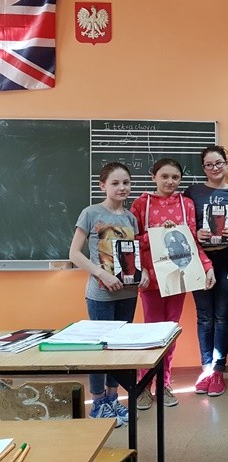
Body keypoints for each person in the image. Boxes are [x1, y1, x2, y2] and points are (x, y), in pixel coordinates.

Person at [69, 162, 150, 427]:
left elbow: (133, 254)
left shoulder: (130, 218)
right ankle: (98, 403)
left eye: (126, 182)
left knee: (119, 349)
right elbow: (75, 254)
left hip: (127, 294)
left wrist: (144, 272)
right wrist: (101, 274)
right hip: (101, 296)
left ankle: (114, 399)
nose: (121, 187)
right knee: (100, 350)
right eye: (115, 183)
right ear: (102, 185)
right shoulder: (91, 213)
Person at [131, 158, 215, 409]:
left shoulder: (185, 203)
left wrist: (207, 266)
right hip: (151, 279)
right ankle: (143, 384)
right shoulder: (141, 204)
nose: (170, 182)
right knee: (151, 333)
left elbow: (191, 240)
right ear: (153, 177)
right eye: (165, 176)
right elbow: (131, 240)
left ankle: (164, 383)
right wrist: (156, 233)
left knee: (170, 333)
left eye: (175, 178)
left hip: (178, 276)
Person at [184, 145, 228, 397]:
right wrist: (195, 232)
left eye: (219, 163)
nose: (215, 168)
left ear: (226, 163)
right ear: (203, 168)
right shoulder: (192, 192)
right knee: (204, 317)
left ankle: (219, 370)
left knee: (222, 315)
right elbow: (183, 225)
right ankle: (205, 369)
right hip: (199, 260)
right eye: (209, 164)